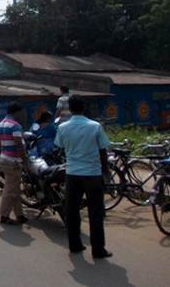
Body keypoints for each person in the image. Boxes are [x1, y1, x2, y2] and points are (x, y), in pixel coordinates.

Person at [54, 95, 112, 259]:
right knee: (95, 212)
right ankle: (98, 249)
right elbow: (103, 151)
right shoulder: (95, 126)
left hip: (72, 173)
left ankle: (74, 245)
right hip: (92, 174)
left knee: (72, 211)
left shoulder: (63, 127)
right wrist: (105, 171)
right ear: (84, 107)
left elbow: (60, 146)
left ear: (70, 109)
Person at [0, 102, 29, 225]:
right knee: (10, 189)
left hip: (4, 158)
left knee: (15, 189)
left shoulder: (0, 124)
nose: (23, 114)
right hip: (13, 161)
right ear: (17, 112)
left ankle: (19, 215)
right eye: (21, 112)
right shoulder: (15, 126)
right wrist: (25, 162)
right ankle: (4, 216)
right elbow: (19, 145)